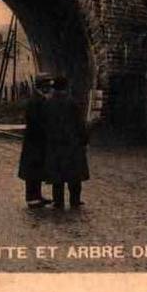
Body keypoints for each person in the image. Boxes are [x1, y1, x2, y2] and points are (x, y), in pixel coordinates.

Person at [43, 76, 90, 209]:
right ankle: (75, 200)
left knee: (57, 175)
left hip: (55, 144)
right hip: (72, 143)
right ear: (66, 87)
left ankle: (58, 201)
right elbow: (80, 124)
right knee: (74, 174)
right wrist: (84, 140)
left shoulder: (49, 103)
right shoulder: (72, 103)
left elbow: (45, 124)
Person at [18, 74, 53, 208]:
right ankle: (32, 198)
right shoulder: (36, 101)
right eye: (47, 86)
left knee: (36, 168)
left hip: (36, 141)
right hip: (34, 141)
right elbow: (36, 122)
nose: (49, 88)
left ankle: (37, 196)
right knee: (32, 169)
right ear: (42, 86)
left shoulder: (38, 99)